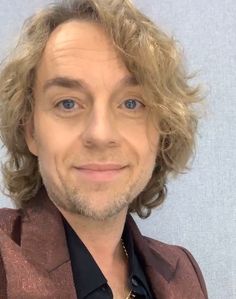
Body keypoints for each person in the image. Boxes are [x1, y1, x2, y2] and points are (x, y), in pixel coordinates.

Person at [0, 0, 208, 298]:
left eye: (131, 103)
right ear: (31, 130)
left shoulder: (183, 270)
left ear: (163, 129)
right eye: (68, 103)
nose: (101, 134)